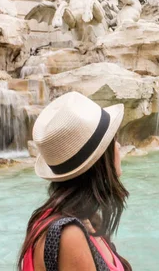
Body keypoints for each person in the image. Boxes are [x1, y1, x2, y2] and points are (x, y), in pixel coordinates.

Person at [18, 92, 131, 271]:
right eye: (113, 140)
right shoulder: (69, 234)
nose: (117, 146)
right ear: (100, 161)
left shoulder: (85, 220)